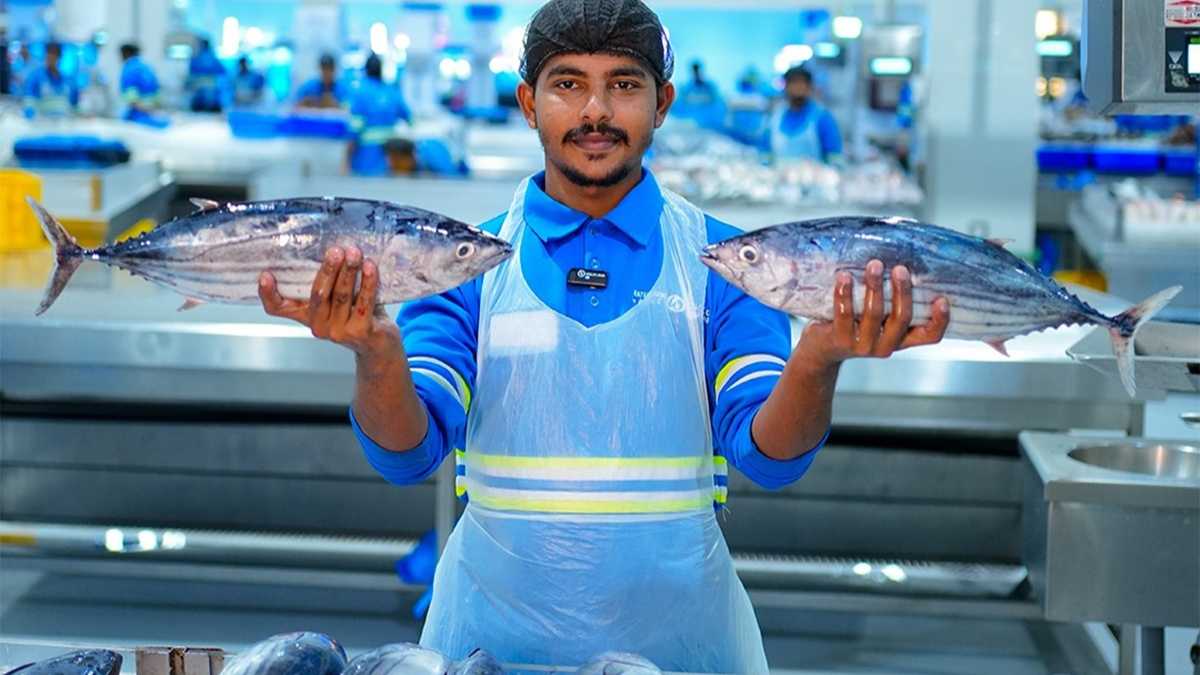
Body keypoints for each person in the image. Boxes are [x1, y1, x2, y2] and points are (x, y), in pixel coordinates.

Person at [256, 0, 949, 671]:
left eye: (623, 85)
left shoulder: (726, 264)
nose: (595, 111)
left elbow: (770, 460)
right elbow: (408, 455)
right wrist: (377, 352)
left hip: (680, 651)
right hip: (490, 651)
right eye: (567, 84)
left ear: (662, 103)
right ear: (528, 104)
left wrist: (818, 357)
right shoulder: (466, 264)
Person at [346, 54, 412, 176]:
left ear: (366, 70)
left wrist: (346, 160)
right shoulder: (392, 91)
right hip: (391, 156)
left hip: (367, 156)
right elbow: (409, 118)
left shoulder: (361, 92)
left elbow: (355, 129)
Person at [769, 66, 844, 164]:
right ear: (786, 87)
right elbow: (765, 155)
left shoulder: (822, 119)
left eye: (802, 83)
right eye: (793, 83)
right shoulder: (776, 118)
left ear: (810, 87)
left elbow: (835, 157)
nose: (798, 88)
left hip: (815, 173)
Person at [23, 41, 78, 117]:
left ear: (59, 58)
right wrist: (30, 113)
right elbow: (29, 101)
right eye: (48, 57)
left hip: (64, 120)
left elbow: (74, 105)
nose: (50, 61)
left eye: (53, 57)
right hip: (43, 120)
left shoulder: (68, 80)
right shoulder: (36, 77)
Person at [674, 59, 725, 131]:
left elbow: (718, 104)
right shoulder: (685, 88)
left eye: (697, 70)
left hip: (710, 124)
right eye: (694, 71)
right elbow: (679, 107)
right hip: (691, 125)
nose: (696, 73)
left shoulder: (710, 87)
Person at [119, 43, 161, 121]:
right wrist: (153, 110)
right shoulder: (147, 67)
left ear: (125, 53)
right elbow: (157, 92)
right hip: (152, 111)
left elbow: (131, 98)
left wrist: (144, 109)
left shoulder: (129, 69)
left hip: (138, 114)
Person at [187, 38, 227, 112]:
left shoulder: (197, 58)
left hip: (200, 88)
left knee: (199, 109)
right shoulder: (213, 58)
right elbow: (223, 71)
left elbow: (191, 72)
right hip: (211, 88)